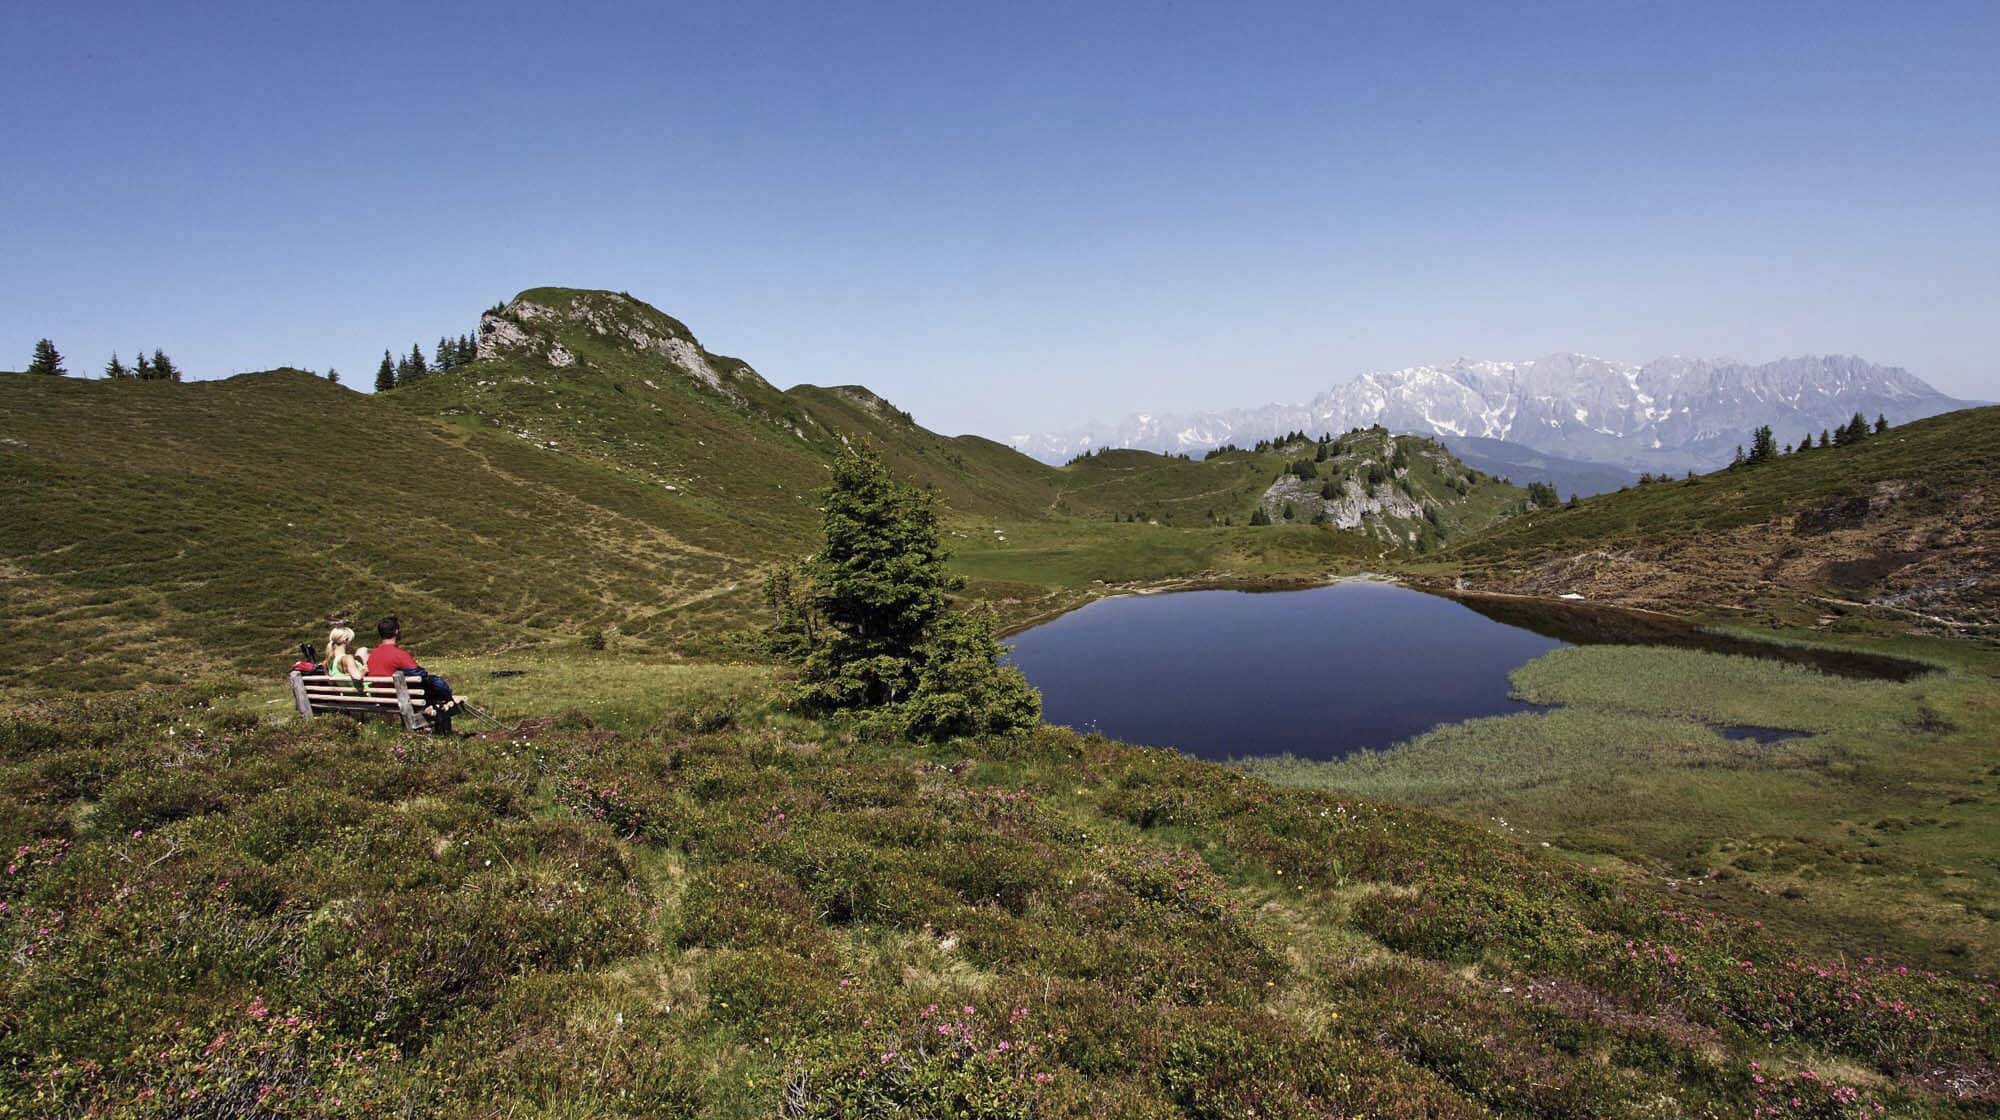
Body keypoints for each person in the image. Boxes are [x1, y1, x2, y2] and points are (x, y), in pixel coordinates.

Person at [365, 615, 466, 733]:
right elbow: (420, 676)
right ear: (396, 631)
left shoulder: (373, 655)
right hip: (401, 700)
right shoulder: (399, 654)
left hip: (382, 699)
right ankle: (444, 729)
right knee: (437, 685)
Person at [322, 625, 370, 692]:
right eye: (351, 640)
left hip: (349, 698)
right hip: (365, 697)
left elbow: (331, 683)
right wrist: (365, 669)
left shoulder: (327, 662)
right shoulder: (348, 658)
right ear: (345, 640)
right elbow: (358, 677)